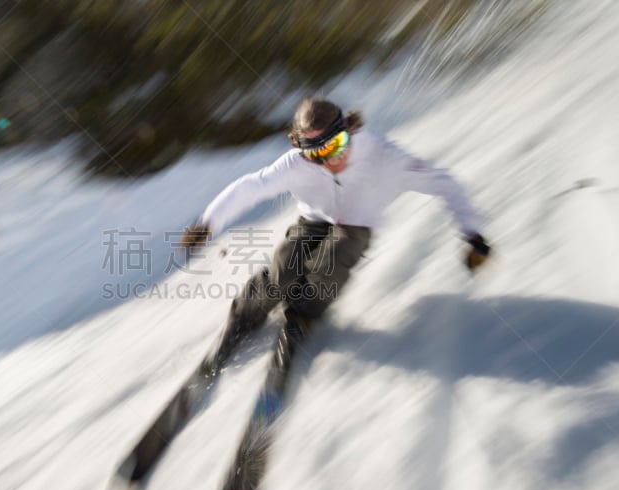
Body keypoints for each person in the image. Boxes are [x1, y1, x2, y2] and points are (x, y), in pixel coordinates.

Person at [181, 96, 491, 350]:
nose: (329, 159)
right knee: (285, 268)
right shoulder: (297, 164)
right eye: (316, 153)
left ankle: (303, 313)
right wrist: (208, 223)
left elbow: (444, 184)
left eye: (336, 145)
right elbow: (251, 187)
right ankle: (246, 314)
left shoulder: (383, 157)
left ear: (349, 130)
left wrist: (473, 233)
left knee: (334, 258)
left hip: (355, 226)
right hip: (313, 220)